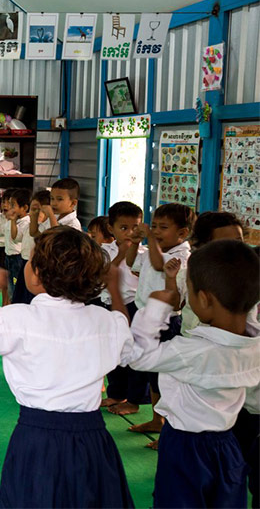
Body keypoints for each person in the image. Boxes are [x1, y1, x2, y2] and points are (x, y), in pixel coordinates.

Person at [0, 227, 136, 508]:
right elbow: (126, 344)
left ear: (37, 274)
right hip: (92, 438)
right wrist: (115, 290)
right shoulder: (106, 321)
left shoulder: (14, 318)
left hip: (36, 438)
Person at [127, 240, 260, 508]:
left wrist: (157, 308)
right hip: (227, 444)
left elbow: (137, 356)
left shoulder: (191, 350)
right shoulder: (254, 346)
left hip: (185, 445)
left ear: (204, 298)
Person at [112, 202, 194, 418]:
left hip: (165, 322)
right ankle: (155, 417)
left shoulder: (180, 256)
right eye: (154, 226)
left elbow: (159, 265)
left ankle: (164, 421)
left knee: (162, 375)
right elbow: (132, 262)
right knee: (147, 370)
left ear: (182, 233)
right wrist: (136, 242)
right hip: (146, 316)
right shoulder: (154, 250)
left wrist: (149, 238)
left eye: (163, 228)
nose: (156, 231)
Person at [97, 202, 151, 414]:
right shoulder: (104, 250)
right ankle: (116, 393)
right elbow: (103, 273)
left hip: (135, 308)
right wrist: (121, 254)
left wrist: (133, 250)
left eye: (135, 227)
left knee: (135, 354)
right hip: (108, 305)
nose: (130, 233)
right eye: (123, 228)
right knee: (113, 351)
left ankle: (135, 399)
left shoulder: (146, 254)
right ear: (111, 228)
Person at [12, 189, 49, 304]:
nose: (35, 213)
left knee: (32, 296)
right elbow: (18, 237)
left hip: (38, 264)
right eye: (33, 209)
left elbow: (36, 234)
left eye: (39, 210)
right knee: (20, 294)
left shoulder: (46, 227)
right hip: (25, 260)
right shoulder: (29, 224)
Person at [3, 188, 30, 298]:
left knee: (16, 287)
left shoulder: (26, 222)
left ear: (24, 208)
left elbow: (15, 237)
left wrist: (13, 220)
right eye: (10, 204)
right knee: (9, 286)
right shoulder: (12, 220)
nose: (10, 208)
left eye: (13, 205)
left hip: (17, 258)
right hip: (8, 256)